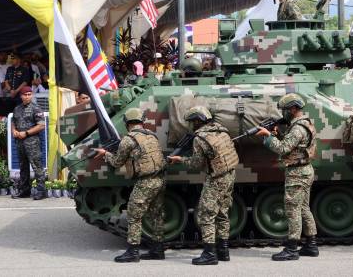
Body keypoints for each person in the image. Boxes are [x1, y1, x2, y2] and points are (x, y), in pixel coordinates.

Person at [93, 108, 167, 263]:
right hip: (160, 179)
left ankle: (133, 252)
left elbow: (116, 162)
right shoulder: (152, 135)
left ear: (127, 123)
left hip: (145, 181)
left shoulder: (128, 139)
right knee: (157, 215)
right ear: (141, 121)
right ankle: (158, 249)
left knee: (134, 216)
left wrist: (105, 154)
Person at [167, 106, 238, 265]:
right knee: (222, 213)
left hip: (216, 179)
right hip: (229, 176)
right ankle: (223, 251)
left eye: (193, 122)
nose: (192, 125)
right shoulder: (222, 131)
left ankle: (209, 254)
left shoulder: (201, 138)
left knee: (206, 215)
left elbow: (196, 164)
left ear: (199, 120)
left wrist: (180, 160)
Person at [255, 93, 318, 261]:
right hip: (305, 170)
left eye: (285, 110)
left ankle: (292, 248)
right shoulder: (305, 123)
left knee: (292, 210)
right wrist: (276, 135)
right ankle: (311, 245)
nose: (283, 113)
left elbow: (283, 149)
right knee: (304, 208)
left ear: (293, 108)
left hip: (297, 173)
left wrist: (267, 137)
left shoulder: (297, 128)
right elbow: (293, 147)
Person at [11, 86, 46, 200]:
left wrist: (26, 133)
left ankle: (41, 191)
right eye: (25, 95)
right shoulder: (17, 109)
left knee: (37, 166)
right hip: (20, 142)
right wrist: (14, 131)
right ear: (21, 96)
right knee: (23, 167)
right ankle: (24, 190)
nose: (27, 96)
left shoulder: (36, 108)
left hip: (32, 142)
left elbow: (41, 125)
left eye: (29, 94)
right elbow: (13, 121)